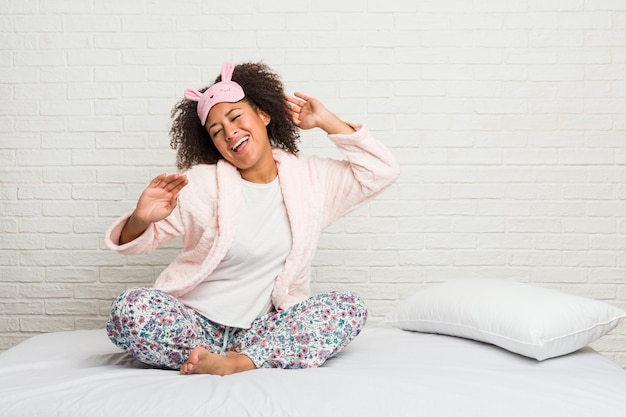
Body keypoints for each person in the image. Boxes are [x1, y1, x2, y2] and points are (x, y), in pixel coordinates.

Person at [105, 61, 400, 376]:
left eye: (235, 117)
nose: (230, 133)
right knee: (130, 308)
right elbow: (136, 243)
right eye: (217, 132)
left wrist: (327, 121)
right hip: (195, 326)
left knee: (348, 307)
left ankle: (238, 362)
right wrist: (140, 218)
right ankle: (210, 355)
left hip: (261, 331)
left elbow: (382, 171)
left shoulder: (311, 180)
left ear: (263, 114)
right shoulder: (201, 184)